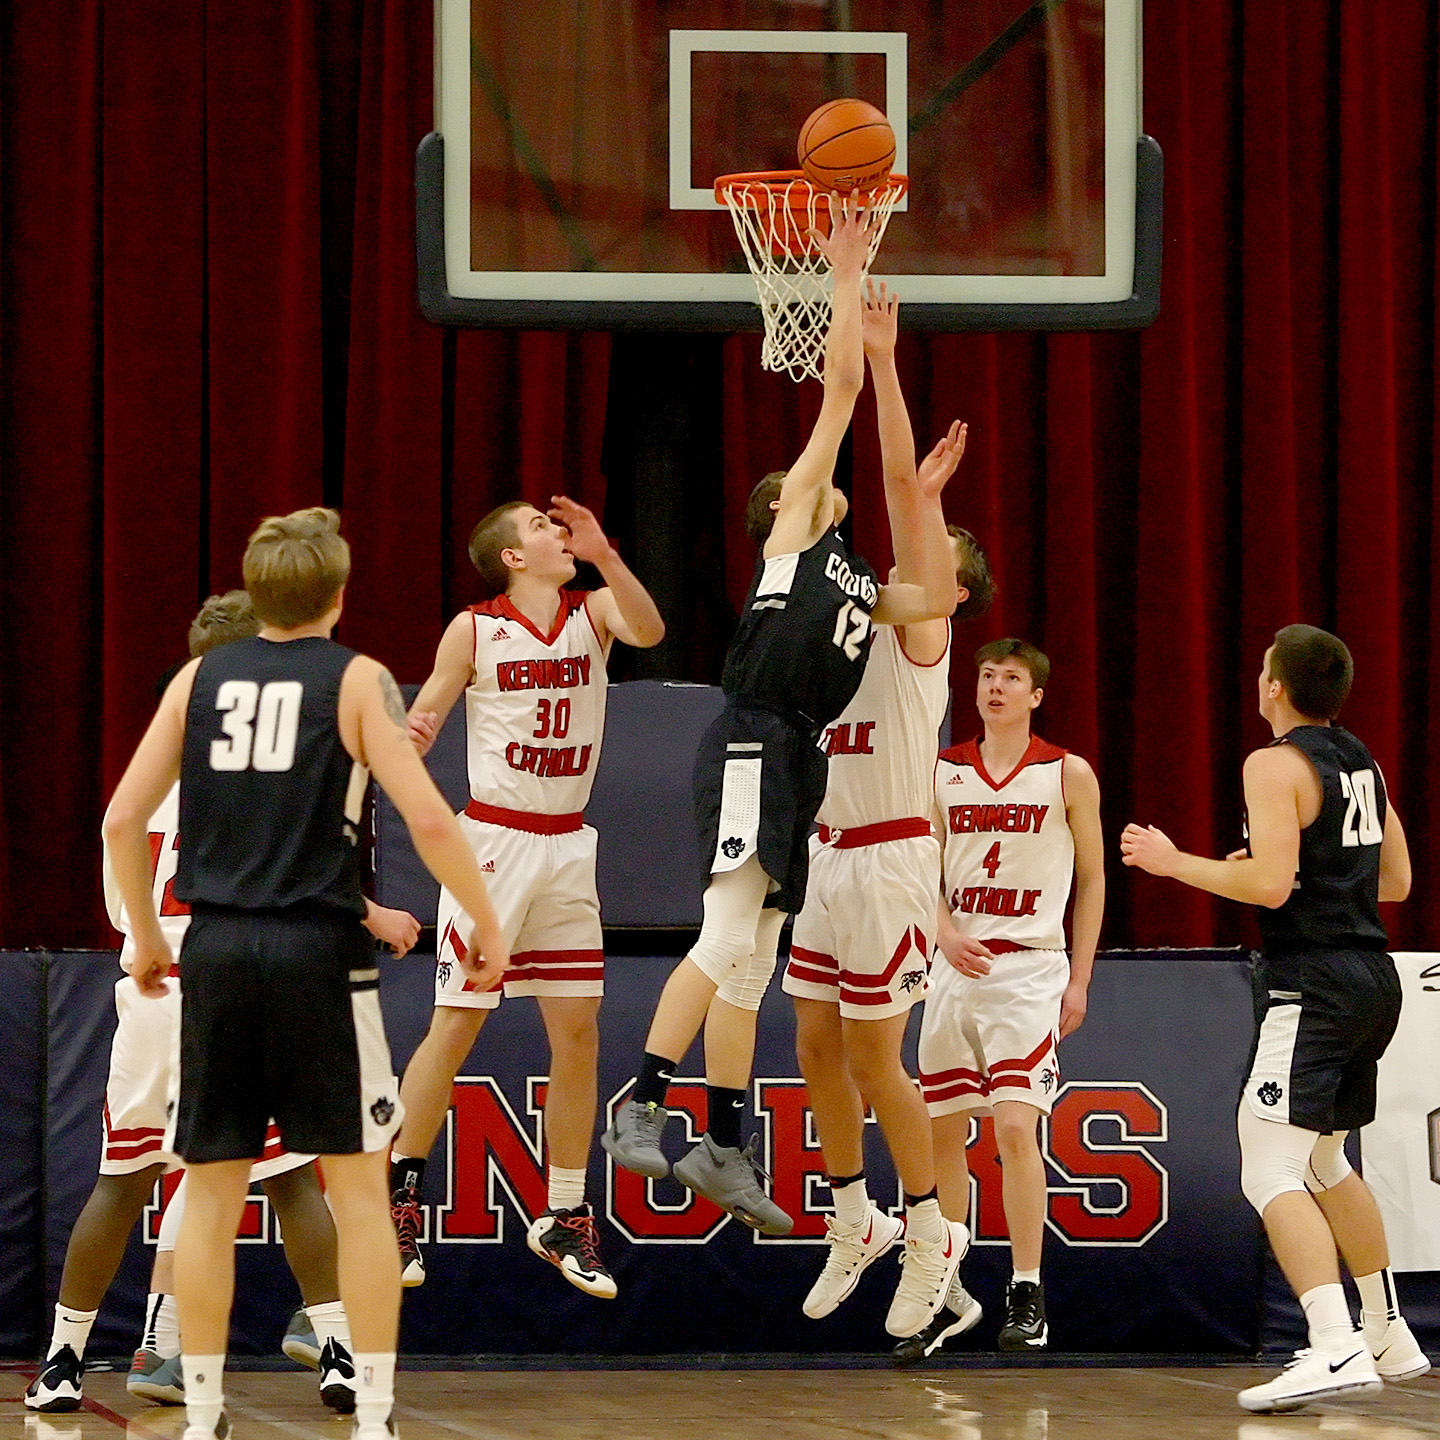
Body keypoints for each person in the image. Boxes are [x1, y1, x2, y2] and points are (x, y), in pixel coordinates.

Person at [102, 508, 508, 1440]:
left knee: (207, 1190)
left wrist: (148, 939)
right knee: (357, 1189)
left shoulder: (199, 679)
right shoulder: (358, 678)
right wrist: (481, 922)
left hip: (215, 951)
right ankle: (371, 1411)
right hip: (317, 955)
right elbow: (434, 823)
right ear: (335, 592)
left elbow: (125, 819)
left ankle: (201, 1411)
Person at [603, 203, 959, 1241]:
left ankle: (720, 1139)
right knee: (725, 938)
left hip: (795, 757)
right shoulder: (797, 529)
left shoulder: (852, 578)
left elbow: (931, 595)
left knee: (754, 957)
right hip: (757, 737)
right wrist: (845, 272)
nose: (824, 485)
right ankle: (647, 1103)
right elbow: (838, 386)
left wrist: (926, 499)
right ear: (788, 511)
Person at [26, 591, 419, 1418]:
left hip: (148, 983)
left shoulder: (155, 757)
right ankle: (338, 1348)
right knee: (288, 1176)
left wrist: (143, 936)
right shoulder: (259, 765)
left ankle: (61, 1362)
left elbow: (116, 832)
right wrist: (377, 915)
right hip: (232, 975)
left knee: (122, 1180)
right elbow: (303, 875)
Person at [1121, 624, 1428, 1413]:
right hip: (1372, 978)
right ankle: (1389, 1330)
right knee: (1326, 1160)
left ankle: (1332, 1344)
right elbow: (1393, 881)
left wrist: (1173, 861)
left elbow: (1271, 888)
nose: (1258, 681)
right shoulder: (1365, 762)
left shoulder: (1272, 762)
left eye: (1263, 671)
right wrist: (1271, 873)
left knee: (1269, 1167)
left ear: (1276, 688)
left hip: (1314, 982)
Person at [782, 281, 996, 1339]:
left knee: (878, 1058)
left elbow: (904, 490)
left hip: (890, 859)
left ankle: (930, 1232)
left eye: (936, 555)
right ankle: (854, 1215)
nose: (917, 548)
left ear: (953, 590)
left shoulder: (922, 634)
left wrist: (884, 366)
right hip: (828, 857)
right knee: (815, 1045)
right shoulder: (839, 619)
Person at [388, 493, 664, 1297]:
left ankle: (564, 1214)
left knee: (578, 1030)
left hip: (569, 844)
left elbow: (650, 630)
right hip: (497, 844)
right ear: (512, 556)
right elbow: (430, 706)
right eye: (540, 527)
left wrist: (606, 550)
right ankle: (402, 1194)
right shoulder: (476, 627)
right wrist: (412, 733)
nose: (556, 533)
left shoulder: (596, 608)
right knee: (458, 1022)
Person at [900, 639, 1104, 1362]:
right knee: (942, 1138)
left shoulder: (1066, 772)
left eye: (1011, 678)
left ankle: (1027, 1290)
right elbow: (919, 869)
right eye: (986, 676)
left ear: (1036, 696)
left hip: (1031, 970)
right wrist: (945, 932)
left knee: (1017, 1129)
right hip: (954, 966)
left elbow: (1093, 882)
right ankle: (944, 1289)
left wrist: (1079, 978)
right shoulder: (942, 770)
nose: (995, 687)